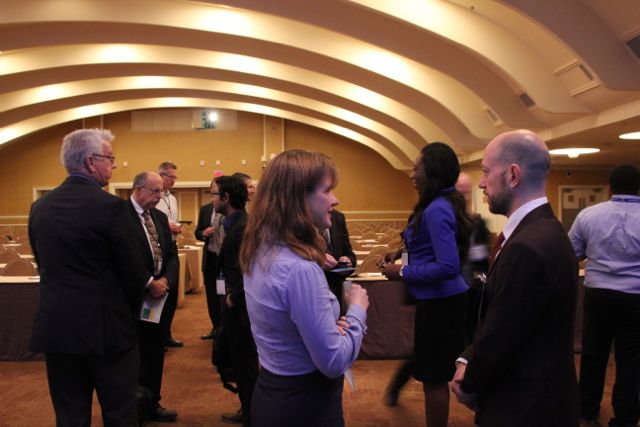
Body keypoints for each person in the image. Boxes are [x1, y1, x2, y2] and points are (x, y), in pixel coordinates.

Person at [451, 129, 580, 427]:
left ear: (512, 175)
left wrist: (470, 381)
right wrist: (468, 357)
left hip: (527, 408)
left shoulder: (527, 246)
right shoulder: (544, 230)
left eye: (486, 172)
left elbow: (504, 334)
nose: (482, 183)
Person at [240, 149, 369, 427]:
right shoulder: (299, 269)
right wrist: (357, 310)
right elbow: (333, 361)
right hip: (305, 404)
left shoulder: (260, 248)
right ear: (297, 199)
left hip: (272, 391)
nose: (335, 200)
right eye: (327, 190)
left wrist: (327, 328)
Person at [28, 129, 147, 426]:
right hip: (107, 330)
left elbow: (42, 264)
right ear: (91, 161)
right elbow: (133, 274)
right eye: (110, 158)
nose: (114, 165)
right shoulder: (112, 207)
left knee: (69, 416)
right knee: (120, 413)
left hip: (58, 328)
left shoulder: (39, 207)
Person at [380, 142, 472, 427]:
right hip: (437, 302)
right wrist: (400, 253)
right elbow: (428, 247)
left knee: (434, 379)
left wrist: (403, 272)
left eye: (416, 167)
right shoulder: (437, 204)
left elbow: (448, 266)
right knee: (431, 375)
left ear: (432, 171)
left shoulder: (437, 209)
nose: (412, 174)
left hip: (442, 304)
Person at [568, 164, 640, 427]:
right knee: (631, 358)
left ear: (610, 188)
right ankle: (625, 418)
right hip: (635, 296)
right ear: (638, 188)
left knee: (593, 354)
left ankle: (587, 412)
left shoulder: (588, 215)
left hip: (598, 293)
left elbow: (572, 253)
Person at [127, 171, 180, 422]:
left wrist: (165, 280)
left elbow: (171, 255)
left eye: (161, 191)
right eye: (155, 191)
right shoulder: (121, 216)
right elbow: (123, 257)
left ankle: (151, 402)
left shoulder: (159, 217)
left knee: (155, 352)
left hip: (158, 297)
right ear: (138, 189)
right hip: (134, 296)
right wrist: (148, 283)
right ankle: (131, 407)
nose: (160, 196)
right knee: (133, 355)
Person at [214, 176, 258, 426]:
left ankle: (252, 414)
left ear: (226, 198)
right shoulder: (233, 224)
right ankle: (247, 408)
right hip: (235, 303)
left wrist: (233, 298)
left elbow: (251, 270)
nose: (212, 199)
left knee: (245, 362)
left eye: (215, 194)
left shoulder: (242, 227)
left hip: (241, 307)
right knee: (238, 360)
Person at [455, 172, 489, 343]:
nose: (465, 197)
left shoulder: (478, 222)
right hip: (450, 291)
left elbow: (483, 260)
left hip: (472, 289)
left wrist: (482, 282)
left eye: (467, 192)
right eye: (460, 192)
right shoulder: (445, 222)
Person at [156, 161, 183, 349]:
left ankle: (167, 334)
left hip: (172, 246)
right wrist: (167, 227)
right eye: (170, 177)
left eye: (175, 177)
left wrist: (176, 227)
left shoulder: (172, 199)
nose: (173, 180)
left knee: (172, 292)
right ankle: (158, 336)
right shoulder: (154, 197)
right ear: (161, 175)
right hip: (159, 247)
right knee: (161, 294)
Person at [195, 177, 225, 340]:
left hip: (223, 260)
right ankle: (215, 328)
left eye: (216, 190)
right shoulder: (205, 209)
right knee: (211, 296)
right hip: (210, 259)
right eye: (212, 189)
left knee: (223, 295)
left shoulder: (226, 209)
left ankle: (224, 329)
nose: (213, 192)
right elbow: (197, 232)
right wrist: (203, 233)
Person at [322, 209, 357, 307]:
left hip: (337, 293)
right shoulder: (298, 216)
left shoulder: (338, 217)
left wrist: (348, 261)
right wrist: (316, 258)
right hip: (312, 292)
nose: (335, 201)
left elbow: (350, 254)